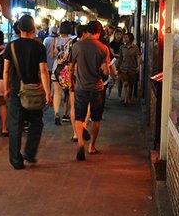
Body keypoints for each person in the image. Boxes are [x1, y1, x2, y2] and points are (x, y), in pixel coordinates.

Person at [3, 14, 51, 170]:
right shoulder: (39, 46)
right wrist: (48, 93)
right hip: (34, 92)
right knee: (36, 123)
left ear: (18, 28)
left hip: (17, 92)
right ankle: (30, 153)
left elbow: (6, 71)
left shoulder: (11, 46)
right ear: (33, 29)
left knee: (15, 126)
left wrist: (6, 88)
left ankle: (16, 161)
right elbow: (43, 71)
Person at [68, 20, 110, 160]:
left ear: (88, 30)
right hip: (97, 87)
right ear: (99, 32)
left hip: (80, 87)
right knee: (96, 118)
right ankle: (91, 146)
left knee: (79, 117)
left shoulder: (77, 46)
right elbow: (106, 70)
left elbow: (71, 67)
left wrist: (70, 82)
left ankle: (80, 143)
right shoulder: (104, 48)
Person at [51, 21, 73, 126]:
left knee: (57, 93)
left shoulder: (55, 40)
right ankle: (65, 114)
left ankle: (56, 114)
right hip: (67, 69)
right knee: (68, 93)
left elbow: (52, 55)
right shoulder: (72, 41)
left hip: (56, 68)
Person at [119, 32, 141, 106]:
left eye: (126, 37)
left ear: (130, 38)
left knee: (131, 84)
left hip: (132, 68)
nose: (124, 39)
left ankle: (129, 98)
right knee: (125, 83)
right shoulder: (122, 47)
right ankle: (125, 100)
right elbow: (120, 58)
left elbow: (137, 57)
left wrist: (138, 66)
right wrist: (118, 67)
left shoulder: (135, 48)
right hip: (123, 68)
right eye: (124, 37)